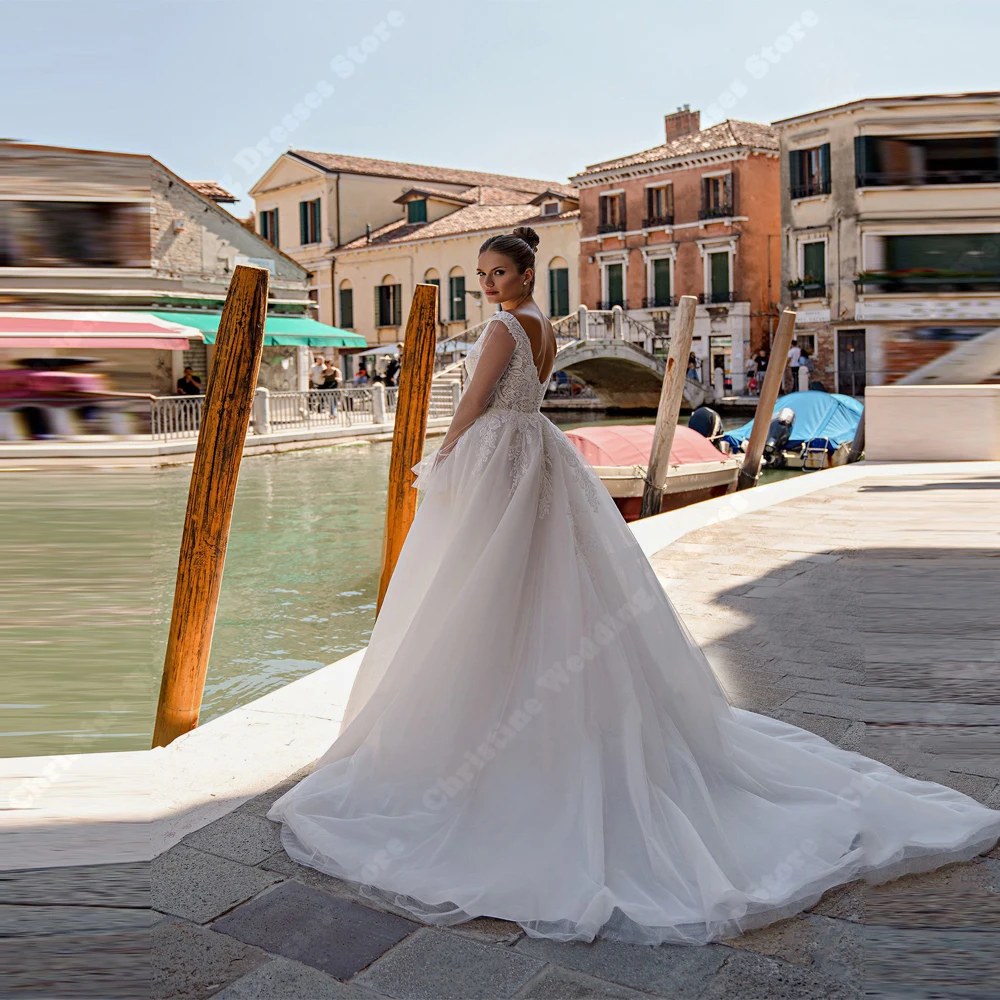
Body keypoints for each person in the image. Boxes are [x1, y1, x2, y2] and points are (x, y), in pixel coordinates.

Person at [266, 225, 1000, 946]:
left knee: (481, 586)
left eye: (497, 274)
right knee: (542, 581)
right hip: (539, 451)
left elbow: (475, 402)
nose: (486, 285)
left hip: (498, 454)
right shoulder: (542, 327)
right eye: (481, 276)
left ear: (523, 276)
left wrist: (448, 452)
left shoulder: (499, 333)